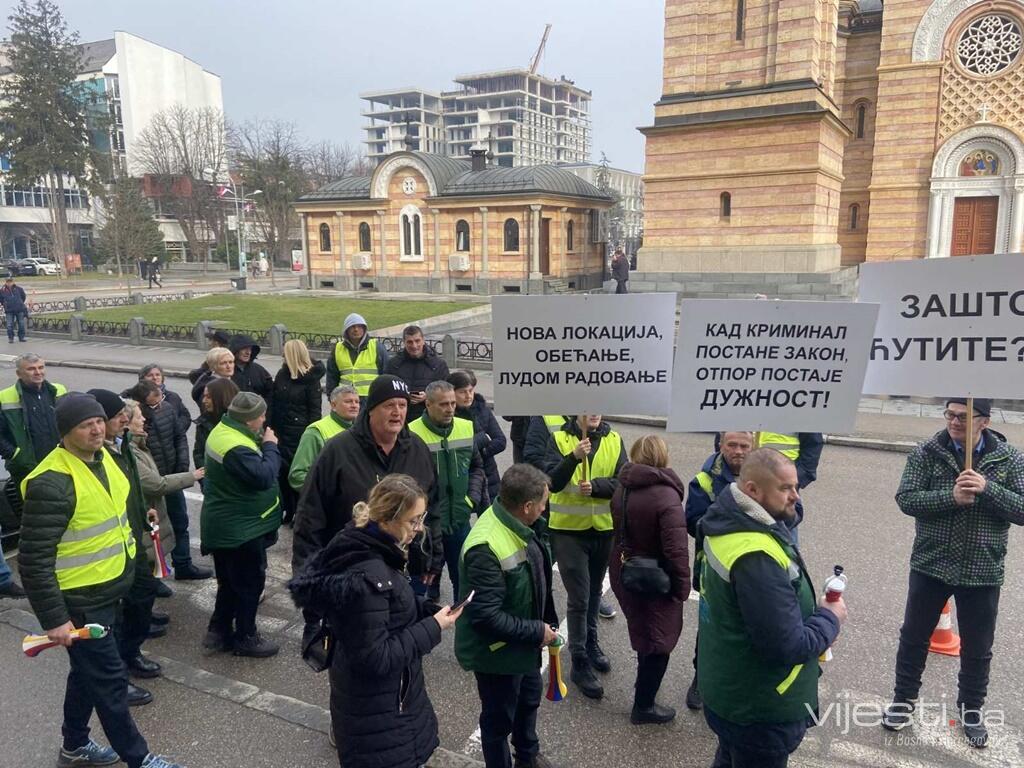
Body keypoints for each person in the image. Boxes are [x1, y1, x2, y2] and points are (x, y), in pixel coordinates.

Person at [18, 393, 186, 768]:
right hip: (80, 600)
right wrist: (56, 620)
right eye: (85, 424)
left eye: (98, 421)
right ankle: (140, 759)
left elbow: (115, 514)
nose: (96, 428)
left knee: (85, 675)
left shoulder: (106, 457)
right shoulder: (52, 482)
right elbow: (33, 561)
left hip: (111, 590)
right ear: (65, 433)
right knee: (111, 682)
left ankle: (74, 746)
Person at [290, 474, 463, 768]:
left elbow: (387, 611)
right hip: (379, 718)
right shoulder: (369, 574)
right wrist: (434, 627)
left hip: (380, 709)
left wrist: (424, 611)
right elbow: (375, 657)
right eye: (413, 521)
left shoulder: (366, 547)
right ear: (388, 518)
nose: (419, 529)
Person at [882, 398, 1024, 748]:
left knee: (978, 646)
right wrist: (951, 496)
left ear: (985, 421)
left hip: (983, 568)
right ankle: (902, 702)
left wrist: (988, 489)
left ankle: (971, 711)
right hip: (932, 563)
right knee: (914, 637)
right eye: (949, 415)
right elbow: (907, 499)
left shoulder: (1010, 459)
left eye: (963, 416)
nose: (954, 422)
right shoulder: (927, 452)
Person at [698, 448, 846, 768]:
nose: (796, 495)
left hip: (728, 690)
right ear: (752, 490)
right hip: (760, 708)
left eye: (796, 486)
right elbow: (786, 645)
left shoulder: (725, 522)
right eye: (785, 488)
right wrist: (830, 619)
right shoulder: (756, 557)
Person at [292, 375, 440, 644]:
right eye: (389, 405)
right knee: (361, 656)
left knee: (399, 650)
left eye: (403, 405)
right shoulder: (338, 450)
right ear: (371, 408)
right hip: (352, 575)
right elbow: (310, 518)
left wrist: (432, 555)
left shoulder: (417, 449)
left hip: (401, 574)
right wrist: (310, 594)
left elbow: (434, 504)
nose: (397, 412)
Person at [455, 463, 560, 768]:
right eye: (543, 502)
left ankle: (527, 756)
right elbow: (485, 616)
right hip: (497, 655)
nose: (545, 507)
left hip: (522, 643)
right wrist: (536, 631)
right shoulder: (485, 546)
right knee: (498, 721)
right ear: (527, 506)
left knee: (528, 700)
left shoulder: (520, 523)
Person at [525, 413, 626, 699]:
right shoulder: (560, 438)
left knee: (594, 593)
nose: (593, 412)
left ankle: (591, 642)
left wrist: (597, 487)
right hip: (569, 531)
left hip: (603, 530)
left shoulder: (614, 439)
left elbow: (623, 480)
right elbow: (551, 482)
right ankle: (579, 659)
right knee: (580, 597)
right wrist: (572, 456)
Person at [88, 389, 166, 704]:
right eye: (117, 415)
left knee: (144, 595)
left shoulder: (122, 447)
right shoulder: (99, 455)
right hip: (107, 554)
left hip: (132, 538)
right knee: (116, 617)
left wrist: (142, 510)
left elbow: (129, 489)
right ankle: (119, 675)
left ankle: (131, 653)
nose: (125, 418)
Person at [609, 435, 690, 725]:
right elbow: (676, 549)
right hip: (656, 578)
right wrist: (682, 587)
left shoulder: (624, 487)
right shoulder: (666, 496)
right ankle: (643, 706)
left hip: (626, 570)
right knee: (659, 641)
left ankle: (643, 687)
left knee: (644, 631)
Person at [200, 392, 281, 657]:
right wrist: (270, 446)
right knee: (248, 584)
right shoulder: (235, 446)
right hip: (239, 529)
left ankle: (219, 631)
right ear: (248, 421)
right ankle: (245, 637)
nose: (264, 420)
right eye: (261, 416)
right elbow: (263, 476)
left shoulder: (225, 431)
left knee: (230, 582)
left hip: (230, 525)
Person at [683, 431, 755, 711]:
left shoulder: (766, 474)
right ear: (721, 445)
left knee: (749, 626)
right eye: (733, 445)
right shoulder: (704, 480)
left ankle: (737, 681)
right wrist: (735, 516)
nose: (738, 451)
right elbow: (693, 523)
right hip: (713, 569)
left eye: (744, 446)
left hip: (753, 570)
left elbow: (793, 511)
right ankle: (701, 678)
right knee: (711, 627)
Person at [123, 380, 209, 582]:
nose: (143, 419)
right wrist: (191, 476)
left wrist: (182, 467)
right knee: (151, 535)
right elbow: (154, 483)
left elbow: (180, 436)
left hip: (172, 478)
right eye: (139, 417)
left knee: (177, 524)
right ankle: (152, 580)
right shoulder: (131, 449)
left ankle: (179, 566)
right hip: (160, 485)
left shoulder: (167, 408)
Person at [407, 380, 485, 600]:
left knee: (466, 582)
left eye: (452, 403)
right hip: (427, 526)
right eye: (443, 404)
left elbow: (477, 466)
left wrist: (472, 498)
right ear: (428, 404)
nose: (450, 408)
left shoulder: (464, 427)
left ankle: (464, 625)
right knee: (424, 585)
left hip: (459, 520)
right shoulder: (411, 433)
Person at [0, 353, 66, 517]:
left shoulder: (58, 391)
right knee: (36, 516)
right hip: (27, 469)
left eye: (41, 367)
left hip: (61, 464)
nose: (38, 372)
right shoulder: (5, 397)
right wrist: (15, 455)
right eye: (31, 369)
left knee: (64, 512)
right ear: (19, 374)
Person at [270, 339, 325, 525]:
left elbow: (315, 411)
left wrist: (311, 435)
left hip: (299, 434)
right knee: (283, 475)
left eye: (285, 352)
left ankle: (300, 512)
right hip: (282, 433)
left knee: (298, 475)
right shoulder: (282, 374)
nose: (282, 356)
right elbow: (275, 402)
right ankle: (289, 510)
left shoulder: (311, 380)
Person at [287, 384, 360, 493]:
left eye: (357, 402)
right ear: (333, 405)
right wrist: (329, 490)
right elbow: (297, 476)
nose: (354, 405)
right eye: (348, 402)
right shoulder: (315, 432)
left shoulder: (361, 431)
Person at [450, 369, 507, 502]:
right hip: (462, 476)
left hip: (489, 475)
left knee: (490, 516)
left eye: (470, 390)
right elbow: (454, 448)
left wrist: (481, 453)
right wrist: (482, 439)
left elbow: (500, 441)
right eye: (462, 392)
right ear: (452, 393)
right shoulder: (448, 415)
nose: (468, 395)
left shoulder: (482, 410)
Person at [385, 324, 450, 423]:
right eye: (410, 342)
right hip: (401, 419)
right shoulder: (394, 364)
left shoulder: (438, 365)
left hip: (428, 419)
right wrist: (404, 396)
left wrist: (428, 396)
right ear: (404, 343)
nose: (414, 346)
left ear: (423, 340)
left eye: (417, 341)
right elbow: (386, 391)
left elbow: (447, 393)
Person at [325, 312, 388, 401]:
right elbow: (332, 377)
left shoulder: (376, 347)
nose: (356, 329)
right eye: (352, 326)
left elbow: (386, 374)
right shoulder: (337, 349)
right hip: (345, 398)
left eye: (359, 326)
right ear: (346, 329)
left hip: (370, 398)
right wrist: (331, 398)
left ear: (364, 328)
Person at [193, 378, 240, 477]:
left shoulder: (241, 423)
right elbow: (199, 455)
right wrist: (206, 482)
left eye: (208, 397)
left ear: (221, 398)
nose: (204, 400)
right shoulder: (203, 423)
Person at [138, 364, 191, 435]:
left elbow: (185, 417)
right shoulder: (136, 397)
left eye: (158, 375)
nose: (154, 377)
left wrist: (176, 430)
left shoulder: (173, 397)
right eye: (150, 375)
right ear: (142, 379)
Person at [229, 334, 273, 405]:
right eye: (244, 348)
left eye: (250, 349)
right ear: (235, 350)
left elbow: (270, 393)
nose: (248, 352)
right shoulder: (227, 370)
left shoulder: (259, 370)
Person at [1, 275, 29, 342]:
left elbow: (23, 297)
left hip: (19, 309)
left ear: (13, 282)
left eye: (10, 281)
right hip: (9, 310)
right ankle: (11, 338)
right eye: (8, 282)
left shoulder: (19, 289)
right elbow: (1, 299)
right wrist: (5, 304)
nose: (9, 283)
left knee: (21, 324)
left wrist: (20, 303)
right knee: (9, 325)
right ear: (6, 282)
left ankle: (21, 337)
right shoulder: (2, 290)